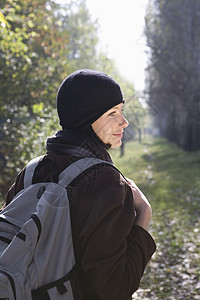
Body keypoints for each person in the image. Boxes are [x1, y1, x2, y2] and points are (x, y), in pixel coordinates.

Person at [5, 69, 156, 300]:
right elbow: (114, 289)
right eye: (112, 113)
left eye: (122, 111)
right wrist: (144, 212)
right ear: (87, 119)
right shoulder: (108, 183)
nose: (124, 122)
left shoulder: (31, 171)